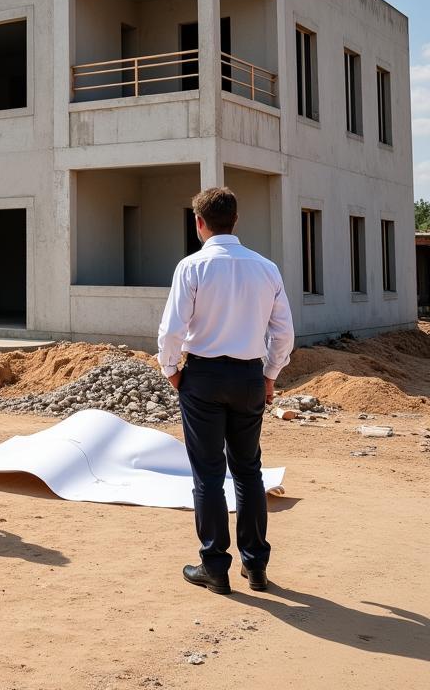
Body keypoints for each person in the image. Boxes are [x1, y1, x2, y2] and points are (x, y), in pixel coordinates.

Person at [157, 186, 294, 595]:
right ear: (236, 220)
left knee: (208, 474)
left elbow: (172, 330)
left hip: (202, 377)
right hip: (250, 376)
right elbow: (284, 333)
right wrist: (270, 374)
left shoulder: (192, 267)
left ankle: (215, 566)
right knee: (249, 470)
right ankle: (256, 566)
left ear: (199, 223)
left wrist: (171, 371)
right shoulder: (266, 268)